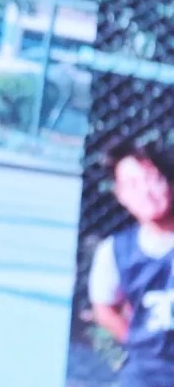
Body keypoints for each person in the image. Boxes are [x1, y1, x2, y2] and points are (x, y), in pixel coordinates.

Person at [88, 136, 174, 387]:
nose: (146, 192)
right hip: (148, 374)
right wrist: (141, 341)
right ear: (120, 195)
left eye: (152, 179)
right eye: (133, 184)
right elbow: (104, 308)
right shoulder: (114, 251)